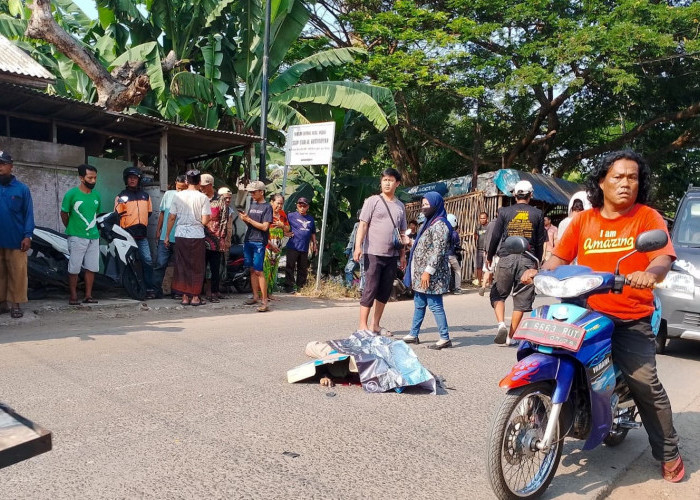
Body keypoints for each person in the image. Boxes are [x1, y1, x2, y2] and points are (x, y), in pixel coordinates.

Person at [520, 150, 684, 483]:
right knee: (541, 348)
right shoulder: (584, 220)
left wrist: (650, 274)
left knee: (644, 382)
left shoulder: (647, 217)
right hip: (586, 311)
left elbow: (662, 257)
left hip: (631, 317)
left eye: (633, 178)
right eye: (618, 177)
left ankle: (668, 452)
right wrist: (538, 272)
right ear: (601, 181)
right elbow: (559, 257)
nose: (626, 184)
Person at [487, 180, 545, 345]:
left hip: (506, 257)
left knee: (498, 293)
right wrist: (537, 263)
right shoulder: (537, 214)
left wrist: (490, 255)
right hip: (528, 260)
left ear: (514, 194)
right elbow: (540, 241)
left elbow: (496, 236)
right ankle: (510, 337)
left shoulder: (504, 212)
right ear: (531, 195)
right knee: (521, 299)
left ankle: (500, 325)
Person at [353, 168, 408, 335]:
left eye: (391, 180)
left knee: (385, 291)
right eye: (384, 180)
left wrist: (403, 255)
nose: (387, 183)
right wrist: (357, 247)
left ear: (397, 183)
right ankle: (362, 326)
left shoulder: (400, 207)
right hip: (373, 253)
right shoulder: (372, 201)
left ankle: (375, 325)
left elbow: (402, 233)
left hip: (391, 255)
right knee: (370, 288)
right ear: (381, 182)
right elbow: (363, 225)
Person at [402, 192, 453, 349]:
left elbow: (438, 251)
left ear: (436, 205)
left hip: (432, 275)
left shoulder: (440, 225)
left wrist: (427, 272)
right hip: (422, 273)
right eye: (422, 204)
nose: (424, 207)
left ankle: (445, 338)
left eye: (427, 204)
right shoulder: (428, 223)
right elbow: (424, 246)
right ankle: (413, 334)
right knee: (419, 302)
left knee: (435, 304)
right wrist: (410, 242)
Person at [165, 170, 211, 306]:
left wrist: (167, 235)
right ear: (199, 182)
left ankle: (184, 297)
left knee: (181, 265)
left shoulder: (178, 196)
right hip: (196, 235)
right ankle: (195, 297)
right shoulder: (203, 198)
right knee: (196, 266)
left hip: (180, 234)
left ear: (186, 182)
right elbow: (205, 220)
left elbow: (172, 217)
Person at [60, 164, 101, 305]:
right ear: (81, 178)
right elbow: (64, 213)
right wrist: (72, 228)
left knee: (92, 267)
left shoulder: (97, 196)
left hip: (94, 236)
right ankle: (73, 296)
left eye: (95, 178)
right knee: (74, 267)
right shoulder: (71, 194)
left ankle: (88, 296)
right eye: (90, 178)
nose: (93, 181)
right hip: (76, 236)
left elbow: (95, 214)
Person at [0, 151, 34, 319]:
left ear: (11, 166)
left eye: (3, 163)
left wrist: (28, 236)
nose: (0, 167)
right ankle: (2, 304)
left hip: (16, 239)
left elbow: (28, 214)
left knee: (17, 273)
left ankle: (15, 304)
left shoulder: (22, 189)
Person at [115, 166, 156, 299]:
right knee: (127, 263)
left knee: (147, 261)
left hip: (142, 235)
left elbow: (148, 213)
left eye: (135, 178)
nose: (132, 180)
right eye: (130, 178)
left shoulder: (145, 196)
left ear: (139, 180)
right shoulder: (121, 196)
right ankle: (128, 289)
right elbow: (117, 214)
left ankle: (149, 288)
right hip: (127, 235)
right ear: (126, 180)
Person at [240, 180, 272, 312]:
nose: (252, 194)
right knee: (252, 269)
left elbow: (265, 227)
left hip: (259, 241)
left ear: (261, 192)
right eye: (251, 192)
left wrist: (249, 220)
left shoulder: (267, 207)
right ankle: (255, 297)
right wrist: (245, 220)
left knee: (259, 271)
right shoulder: (252, 203)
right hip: (249, 239)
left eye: (254, 192)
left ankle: (264, 301)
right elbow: (252, 224)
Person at [154, 175, 187, 299]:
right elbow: (162, 213)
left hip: (181, 236)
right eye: (179, 188)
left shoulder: (189, 197)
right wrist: (158, 230)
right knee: (160, 264)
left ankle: (177, 292)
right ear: (175, 184)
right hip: (165, 236)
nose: (180, 191)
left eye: (183, 189)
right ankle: (156, 291)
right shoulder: (168, 194)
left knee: (179, 266)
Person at [284, 197, 317, 293]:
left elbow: (313, 233)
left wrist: (314, 244)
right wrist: (286, 233)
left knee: (302, 268)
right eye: (300, 205)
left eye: (304, 206)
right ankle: (288, 287)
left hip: (304, 247)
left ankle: (301, 286)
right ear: (297, 206)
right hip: (293, 246)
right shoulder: (291, 216)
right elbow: (283, 225)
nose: (302, 208)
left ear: (308, 207)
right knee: (290, 267)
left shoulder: (310, 219)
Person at [201, 173, 224, 302]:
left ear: (210, 185)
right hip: (201, 237)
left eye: (204, 186)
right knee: (201, 267)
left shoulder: (219, 200)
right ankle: (200, 292)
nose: (202, 188)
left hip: (215, 238)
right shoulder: (200, 198)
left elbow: (224, 220)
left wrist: (222, 238)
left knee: (215, 268)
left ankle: (214, 292)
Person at [264, 194, 289, 296]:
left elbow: (288, 229)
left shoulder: (283, 214)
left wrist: (282, 225)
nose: (279, 206)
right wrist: (271, 245)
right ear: (271, 202)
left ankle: (269, 294)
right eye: (278, 203)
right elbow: (263, 232)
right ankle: (262, 294)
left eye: (281, 204)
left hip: (278, 246)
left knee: (273, 271)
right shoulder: (266, 213)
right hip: (267, 245)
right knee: (266, 270)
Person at [479, 211, 498, 296]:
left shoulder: (490, 224)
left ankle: (483, 286)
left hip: (489, 250)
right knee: (498, 270)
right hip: (498, 251)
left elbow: (486, 238)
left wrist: (485, 250)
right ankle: (497, 288)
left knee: (488, 269)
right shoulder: (502, 224)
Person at [344, 211, 362, 288]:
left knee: (364, 273)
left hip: (365, 253)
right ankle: (350, 287)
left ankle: (362, 289)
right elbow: (352, 238)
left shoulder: (371, 226)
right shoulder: (357, 225)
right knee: (348, 269)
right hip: (355, 252)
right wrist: (348, 249)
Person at [446, 213, 462, 293]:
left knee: (447, 271)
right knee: (457, 270)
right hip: (451, 255)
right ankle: (457, 288)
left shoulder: (444, 231)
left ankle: (447, 287)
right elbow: (457, 244)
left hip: (444, 255)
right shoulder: (454, 233)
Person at [474, 212, 489, 285]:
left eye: (484, 218)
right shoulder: (478, 227)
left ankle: (489, 283)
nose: (482, 219)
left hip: (487, 250)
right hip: (479, 249)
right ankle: (480, 282)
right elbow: (475, 236)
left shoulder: (489, 227)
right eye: (481, 218)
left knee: (487, 266)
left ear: (487, 218)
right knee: (479, 266)